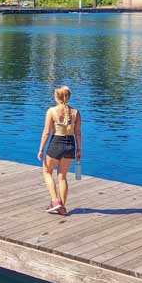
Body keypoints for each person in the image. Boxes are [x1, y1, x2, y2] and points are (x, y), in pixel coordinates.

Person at [36, 85, 81, 215]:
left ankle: (55, 201)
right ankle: (62, 207)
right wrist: (79, 149)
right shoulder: (76, 113)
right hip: (71, 145)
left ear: (57, 97)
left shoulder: (52, 111)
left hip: (56, 143)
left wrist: (41, 149)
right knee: (62, 177)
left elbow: (46, 132)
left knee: (47, 171)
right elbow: (78, 133)